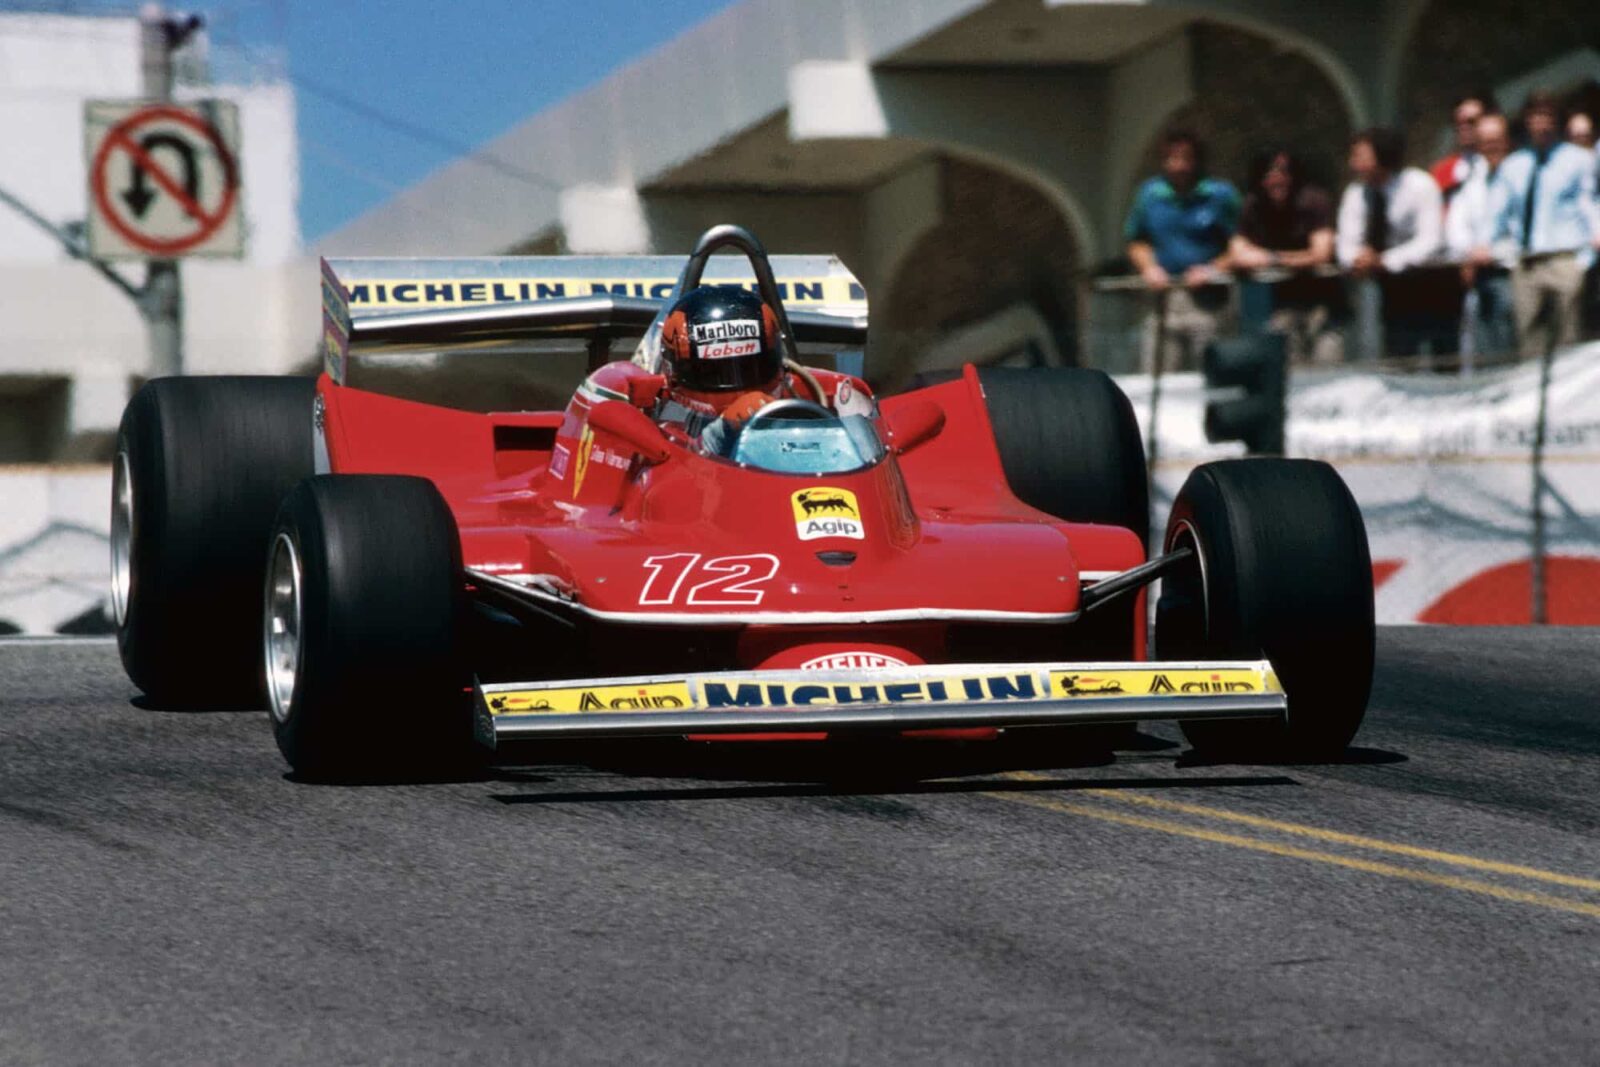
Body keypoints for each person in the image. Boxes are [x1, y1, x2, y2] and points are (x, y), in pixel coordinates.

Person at [1489, 91, 1600, 358]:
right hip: (1527, 262)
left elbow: (1589, 205)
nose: (1542, 124)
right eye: (1536, 117)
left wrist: (1585, 259)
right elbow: (1497, 217)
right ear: (1527, 121)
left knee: (1569, 341)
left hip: (1565, 258)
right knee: (1529, 342)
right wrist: (1502, 254)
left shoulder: (1579, 160)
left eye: (1548, 117)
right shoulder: (1513, 165)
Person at [1124, 128, 1241, 372]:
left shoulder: (1219, 195)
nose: (1178, 166)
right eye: (1171, 158)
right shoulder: (1150, 195)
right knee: (1159, 376)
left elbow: (1240, 244)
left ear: (1197, 160)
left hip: (1209, 303)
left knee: (1214, 375)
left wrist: (1212, 270)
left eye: (1185, 158)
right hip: (1165, 300)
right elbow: (1136, 241)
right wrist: (1149, 268)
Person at [1336, 127, 1446, 357]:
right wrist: (1359, 259)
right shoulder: (1357, 193)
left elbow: (1430, 240)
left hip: (1431, 287)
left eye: (1361, 156)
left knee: (1441, 354)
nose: (1353, 164)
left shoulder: (1419, 185)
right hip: (1388, 292)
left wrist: (1385, 260)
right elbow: (1346, 243)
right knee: (1396, 355)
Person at [1229, 147, 1340, 363]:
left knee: (1329, 367)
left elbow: (1321, 254)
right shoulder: (1254, 205)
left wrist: (1273, 259)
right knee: (1289, 372)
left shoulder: (1314, 200)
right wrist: (1287, 260)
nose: (1277, 178)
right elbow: (1238, 254)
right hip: (1283, 305)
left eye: (1283, 172)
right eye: (1270, 173)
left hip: (1324, 304)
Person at [1446, 112, 1517, 361]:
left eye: (1496, 140)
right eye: (1485, 141)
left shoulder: (1520, 173)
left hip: (1513, 272)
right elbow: (1457, 226)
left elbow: (1524, 229)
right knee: (1483, 352)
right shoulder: (1472, 180)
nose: (1491, 146)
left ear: (1507, 141)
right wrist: (1470, 252)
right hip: (1479, 277)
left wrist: (1494, 251)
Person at [1431, 92, 1495, 210]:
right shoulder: (1443, 171)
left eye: (1471, 122)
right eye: (1459, 123)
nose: (1464, 128)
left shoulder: (1499, 165)